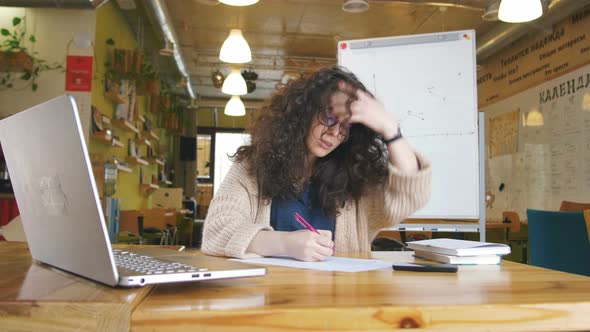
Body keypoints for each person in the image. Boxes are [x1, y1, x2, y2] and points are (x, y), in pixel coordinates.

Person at [202, 66, 431, 262]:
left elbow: (408, 195)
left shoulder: (355, 179)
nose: (334, 133)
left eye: (345, 127)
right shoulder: (251, 167)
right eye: (329, 118)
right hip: (268, 301)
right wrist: (283, 243)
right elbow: (216, 231)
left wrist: (391, 131)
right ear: (303, 114)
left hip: (337, 303)